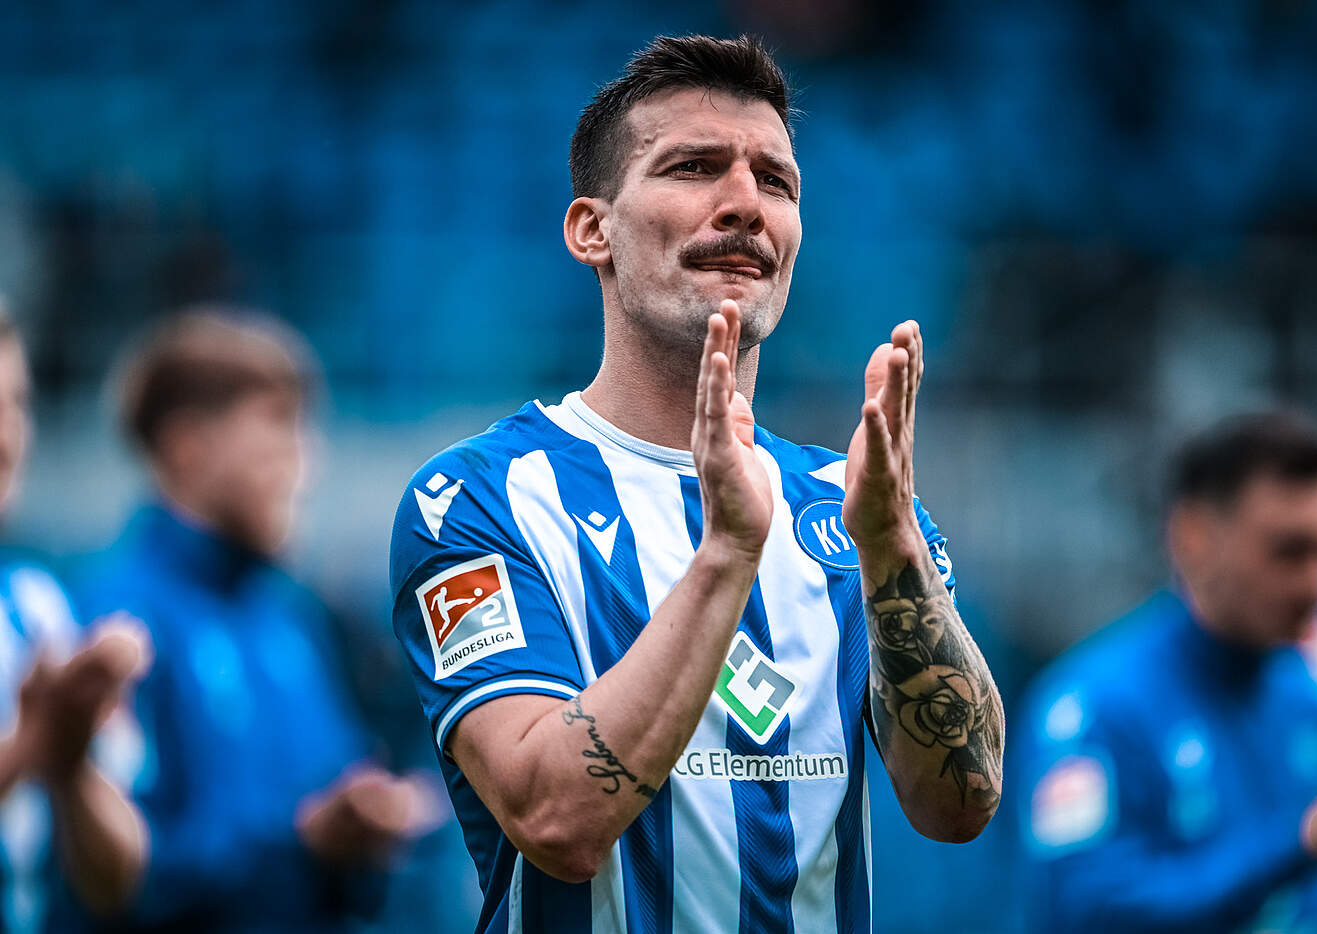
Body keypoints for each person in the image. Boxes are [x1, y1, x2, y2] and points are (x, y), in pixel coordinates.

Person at [389, 35, 1004, 933]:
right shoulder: (479, 498)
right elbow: (555, 820)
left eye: (777, 182)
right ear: (592, 230)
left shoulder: (849, 508)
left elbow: (960, 805)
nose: (747, 204)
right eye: (694, 168)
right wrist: (728, 553)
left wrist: (891, 543)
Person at [77, 310, 436, 931]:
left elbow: (339, 790)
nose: (305, 461)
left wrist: (371, 822)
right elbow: (115, 878)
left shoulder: (291, 615)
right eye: (278, 423)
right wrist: (300, 845)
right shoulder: (115, 624)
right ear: (187, 445)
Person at [1016, 412, 1317, 933]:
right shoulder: (1093, 711)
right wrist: (1302, 838)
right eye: (1291, 552)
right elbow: (1090, 913)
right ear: (1192, 537)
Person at [0, 306, 149, 932]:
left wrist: (69, 761)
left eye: (16, 404)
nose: (7, 437)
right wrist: (31, 744)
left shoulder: (34, 605)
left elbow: (117, 879)